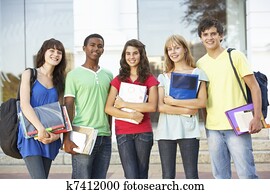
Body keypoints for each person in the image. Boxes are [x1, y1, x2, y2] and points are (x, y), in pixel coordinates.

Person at [196, 17, 262, 179]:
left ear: (221, 36)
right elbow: (204, 96)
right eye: (205, 34)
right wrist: (206, 123)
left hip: (237, 126)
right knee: (220, 177)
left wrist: (257, 117)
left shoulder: (236, 56)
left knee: (246, 174)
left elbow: (254, 86)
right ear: (201, 38)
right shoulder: (200, 64)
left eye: (213, 34)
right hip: (213, 129)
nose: (209, 38)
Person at [155, 34, 208, 179]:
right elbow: (161, 107)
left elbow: (202, 102)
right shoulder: (163, 77)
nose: (173, 52)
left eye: (177, 47)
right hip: (165, 131)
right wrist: (187, 109)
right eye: (169, 49)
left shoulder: (198, 73)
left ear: (185, 49)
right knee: (167, 176)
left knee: (191, 175)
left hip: (189, 130)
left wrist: (173, 102)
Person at [105, 39, 159, 179]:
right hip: (123, 133)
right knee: (131, 177)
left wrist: (124, 104)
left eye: (135, 53)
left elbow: (152, 106)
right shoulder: (118, 80)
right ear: (124, 56)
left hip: (144, 132)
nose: (131, 57)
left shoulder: (149, 79)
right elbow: (109, 108)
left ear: (141, 55)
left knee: (142, 176)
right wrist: (131, 116)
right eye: (128, 53)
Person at [63, 34, 113, 179]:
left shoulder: (108, 75)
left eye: (100, 46)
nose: (96, 48)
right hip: (81, 134)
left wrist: (110, 132)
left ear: (103, 50)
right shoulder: (74, 75)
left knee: (99, 181)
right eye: (92, 45)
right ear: (84, 48)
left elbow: (110, 106)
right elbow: (68, 107)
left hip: (104, 136)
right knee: (82, 181)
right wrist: (66, 138)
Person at [17, 38, 67, 179]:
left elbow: (60, 110)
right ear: (43, 53)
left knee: (42, 179)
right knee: (39, 180)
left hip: (50, 137)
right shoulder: (29, 74)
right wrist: (40, 129)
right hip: (32, 134)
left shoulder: (60, 80)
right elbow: (24, 104)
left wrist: (56, 135)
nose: (55, 54)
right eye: (52, 50)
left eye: (59, 52)